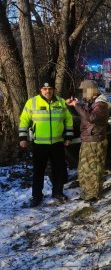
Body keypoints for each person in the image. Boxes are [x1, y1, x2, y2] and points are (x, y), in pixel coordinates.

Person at [19, 78, 74, 207]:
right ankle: (37, 196)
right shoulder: (32, 103)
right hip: (39, 144)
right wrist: (22, 138)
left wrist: (68, 137)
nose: (47, 91)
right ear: (40, 90)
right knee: (38, 171)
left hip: (57, 143)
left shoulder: (60, 102)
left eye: (50, 89)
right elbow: (24, 121)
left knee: (58, 169)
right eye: (45, 89)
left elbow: (68, 120)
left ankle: (58, 193)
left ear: (53, 89)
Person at [66, 80, 110, 203]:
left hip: (95, 141)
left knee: (93, 169)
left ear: (91, 91)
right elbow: (83, 114)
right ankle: (87, 193)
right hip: (88, 140)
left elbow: (91, 117)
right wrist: (73, 105)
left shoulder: (101, 104)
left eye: (85, 91)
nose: (83, 94)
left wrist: (77, 105)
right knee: (84, 168)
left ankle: (94, 195)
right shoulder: (91, 102)